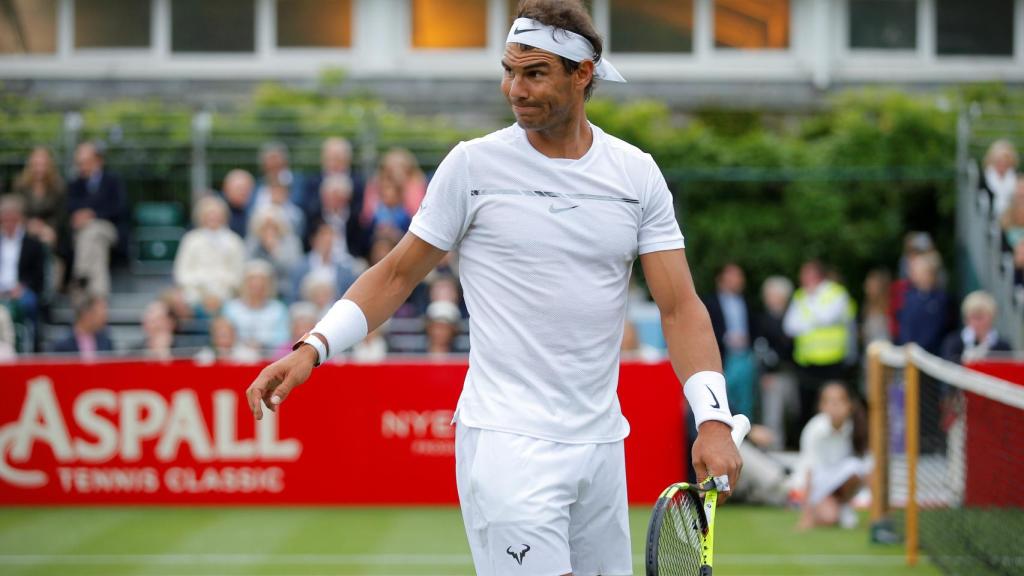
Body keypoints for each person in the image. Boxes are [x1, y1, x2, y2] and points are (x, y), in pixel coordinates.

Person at [246, 3, 742, 575]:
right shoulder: (472, 166)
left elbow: (679, 307)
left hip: (603, 447)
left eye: (534, 73)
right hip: (507, 445)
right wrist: (314, 347)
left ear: (583, 74)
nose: (515, 88)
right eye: (509, 71)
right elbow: (397, 273)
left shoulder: (637, 174)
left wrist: (713, 419)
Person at [784, 260, 854, 433]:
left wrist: (808, 313)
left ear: (817, 275)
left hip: (832, 362)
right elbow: (790, 327)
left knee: (835, 406)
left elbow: (827, 317)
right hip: (807, 364)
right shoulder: (800, 295)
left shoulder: (836, 293)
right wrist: (812, 320)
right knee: (806, 408)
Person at [795, 382, 868, 531]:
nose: (834, 407)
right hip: (817, 482)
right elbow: (809, 471)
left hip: (841, 481)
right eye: (829, 402)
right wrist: (806, 516)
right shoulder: (814, 429)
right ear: (822, 406)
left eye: (839, 401)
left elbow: (867, 466)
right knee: (829, 518)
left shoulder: (857, 427)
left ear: (849, 405)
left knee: (857, 467)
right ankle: (834, 507)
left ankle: (844, 505)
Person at [66, 141, 128, 297]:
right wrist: (80, 217)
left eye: (86, 162)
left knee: (93, 231)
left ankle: (80, 275)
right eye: (79, 163)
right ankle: (99, 296)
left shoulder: (113, 181)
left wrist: (93, 215)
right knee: (94, 243)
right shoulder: (74, 184)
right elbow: (69, 208)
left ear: (98, 161)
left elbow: (120, 208)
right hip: (82, 233)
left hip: (108, 228)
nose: (82, 166)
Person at [173, 195, 246, 313]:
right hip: (194, 295)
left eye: (216, 214)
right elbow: (181, 273)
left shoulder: (234, 241)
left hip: (226, 296)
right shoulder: (191, 239)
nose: (213, 217)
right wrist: (203, 288)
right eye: (209, 214)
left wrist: (218, 291)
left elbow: (238, 274)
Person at [702, 263, 756, 418]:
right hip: (724, 356)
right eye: (733, 275)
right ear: (722, 279)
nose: (738, 280)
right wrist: (726, 338)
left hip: (745, 355)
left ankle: (746, 433)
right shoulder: (710, 302)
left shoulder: (746, 301)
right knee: (725, 396)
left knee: (746, 396)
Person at [755, 275, 798, 450]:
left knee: (792, 412)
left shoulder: (795, 317)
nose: (768, 298)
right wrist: (764, 373)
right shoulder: (763, 320)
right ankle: (775, 451)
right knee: (773, 416)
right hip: (774, 375)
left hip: (793, 373)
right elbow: (760, 349)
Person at [0, 195, 47, 350]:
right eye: (5, 219)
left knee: (29, 303)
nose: (8, 223)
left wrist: (21, 287)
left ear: (19, 218)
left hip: (22, 291)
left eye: (12, 219)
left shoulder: (33, 244)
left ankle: (31, 347)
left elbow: (38, 276)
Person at [223, 260, 289, 352]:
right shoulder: (231, 308)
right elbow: (224, 335)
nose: (257, 285)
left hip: (270, 356)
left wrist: (262, 345)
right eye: (252, 281)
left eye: (262, 282)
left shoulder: (278, 309)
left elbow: (283, 338)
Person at [302, 137, 364, 229]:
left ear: (348, 159)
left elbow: (361, 213)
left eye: (338, 158)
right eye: (330, 158)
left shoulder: (357, 183)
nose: (334, 163)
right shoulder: (313, 181)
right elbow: (307, 209)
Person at [360, 147, 427, 229]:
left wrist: (403, 187)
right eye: (392, 169)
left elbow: (415, 213)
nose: (396, 171)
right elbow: (367, 217)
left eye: (401, 167)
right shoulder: (375, 184)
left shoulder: (416, 183)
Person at [12, 147, 65, 248]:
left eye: (43, 165)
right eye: (36, 164)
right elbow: (16, 211)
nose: (40, 169)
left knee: (46, 240)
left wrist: (45, 228)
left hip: (50, 230)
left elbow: (61, 216)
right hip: (25, 228)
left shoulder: (58, 186)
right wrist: (28, 224)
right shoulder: (20, 185)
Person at [940, 291, 1012, 364]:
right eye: (973, 317)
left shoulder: (1003, 347)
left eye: (980, 317)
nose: (977, 323)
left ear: (992, 318)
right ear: (966, 319)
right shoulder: (953, 343)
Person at [307, 174, 365, 261]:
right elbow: (309, 243)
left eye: (338, 197)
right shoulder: (314, 216)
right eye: (330, 196)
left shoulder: (354, 218)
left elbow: (358, 245)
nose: (334, 200)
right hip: (320, 258)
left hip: (348, 259)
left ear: (347, 198)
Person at [51, 295, 113, 360]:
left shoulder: (106, 342)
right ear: (87, 314)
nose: (105, 319)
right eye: (101, 315)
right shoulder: (62, 345)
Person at [982, 139, 1018, 218]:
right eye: (999, 161)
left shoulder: (1016, 179)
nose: (1002, 163)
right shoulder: (983, 179)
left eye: (1005, 161)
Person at [222, 169, 255, 238]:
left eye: (246, 189)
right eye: (239, 188)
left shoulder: (254, 212)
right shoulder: (216, 211)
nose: (243, 192)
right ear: (226, 189)